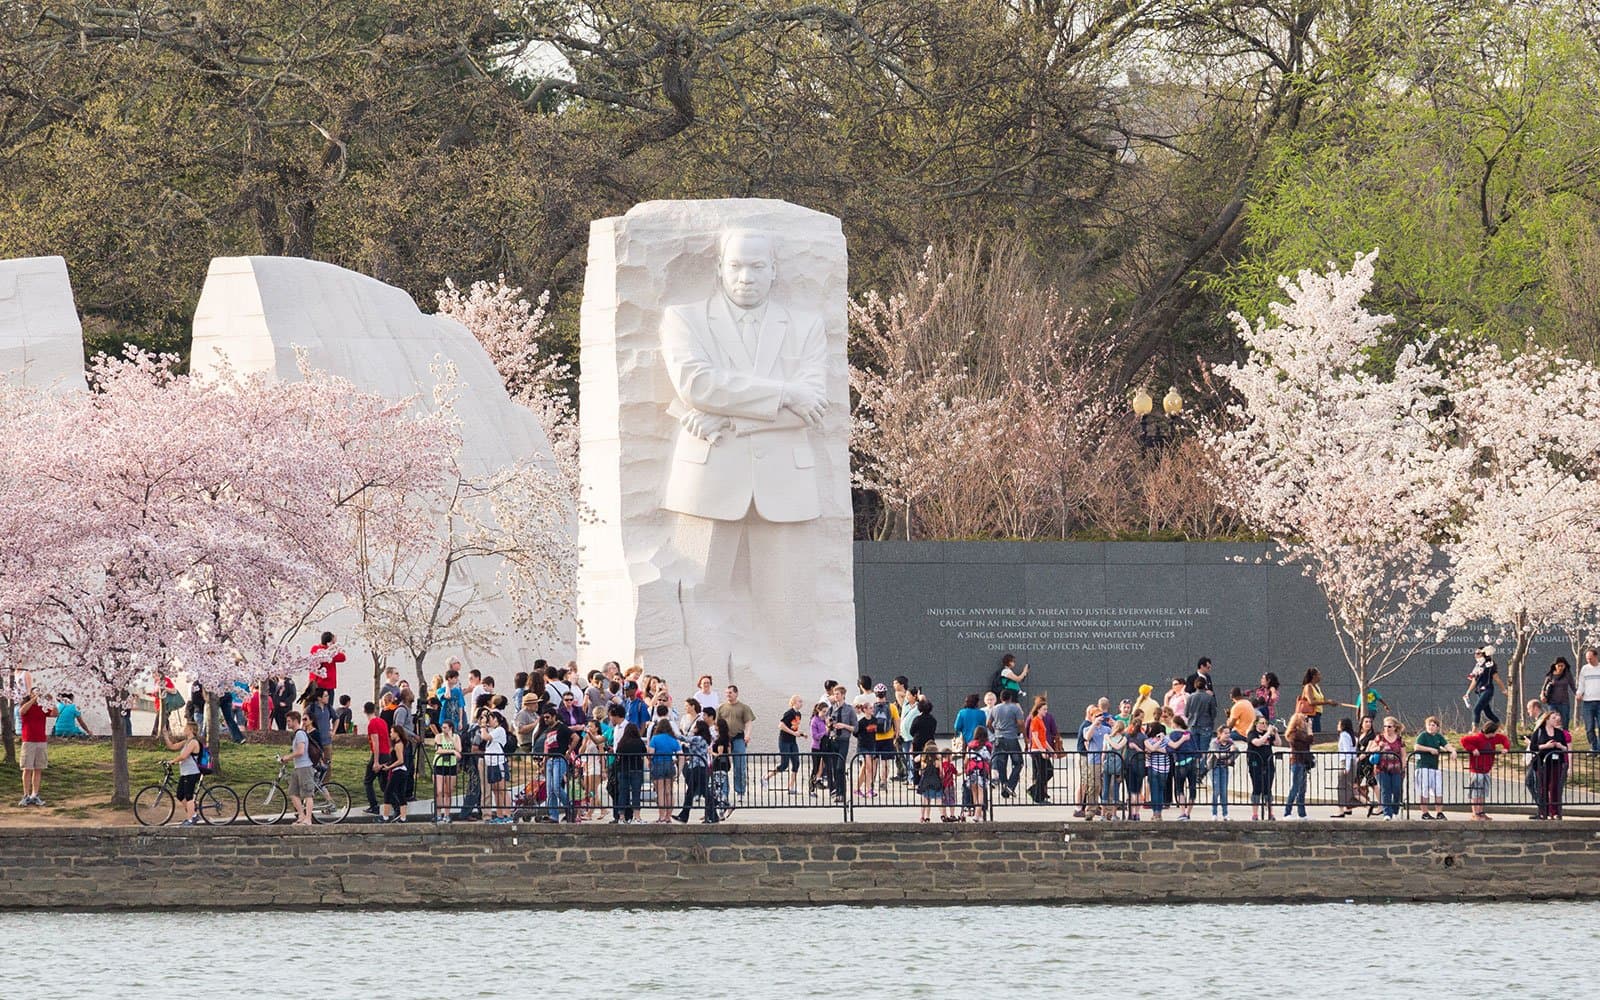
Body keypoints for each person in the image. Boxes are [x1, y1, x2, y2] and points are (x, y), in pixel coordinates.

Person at [1458, 720, 1508, 821]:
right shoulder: (1477, 738)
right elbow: (1463, 740)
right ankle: (1475, 813)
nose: (1495, 734)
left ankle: (1480, 812)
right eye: (1494, 732)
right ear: (1489, 732)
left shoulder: (1494, 738)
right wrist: (1472, 749)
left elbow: (1504, 739)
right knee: (1476, 792)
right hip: (1476, 769)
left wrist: (1506, 748)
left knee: (1483, 792)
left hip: (1486, 769)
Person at [538, 705, 578, 824]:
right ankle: (553, 816)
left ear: (554, 717)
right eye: (544, 718)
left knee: (556, 787)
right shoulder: (548, 730)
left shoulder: (562, 728)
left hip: (559, 759)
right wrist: (544, 763)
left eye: (548, 717)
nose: (546, 720)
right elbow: (547, 747)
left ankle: (570, 806)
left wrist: (569, 751)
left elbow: (575, 737)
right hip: (550, 760)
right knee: (550, 789)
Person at [17, 690, 57, 807]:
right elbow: (22, 711)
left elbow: (55, 714)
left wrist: (51, 701)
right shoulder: (26, 707)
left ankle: (35, 795)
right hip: (28, 741)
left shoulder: (42, 708)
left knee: (38, 768)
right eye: (35, 693)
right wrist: (33, 699)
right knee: (27, 768)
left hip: (41, 741)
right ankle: (26, 795)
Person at [1530, 710, 1571, 820]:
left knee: (1554, 787)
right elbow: (1533, 747)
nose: (1556, 720)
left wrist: (1560, 746)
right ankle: (1544, 811)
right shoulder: (1539, 731)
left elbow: (1565, 748)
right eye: (1553, 718)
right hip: (1542, 763)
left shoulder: (1559, 733)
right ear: (1547, 719)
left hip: (1556, 763)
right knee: (1543, 787)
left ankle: (1554, 812)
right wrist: (1545, 746)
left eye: (1556, 718)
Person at [716, 685, 756, 799]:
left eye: (730, 692)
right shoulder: (721, 708)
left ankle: (740, 791)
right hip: (724, 739)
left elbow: (748, 722)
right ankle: (724, 791)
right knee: (723, 766)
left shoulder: (744, 708)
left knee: (739, 766)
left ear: (736, 693)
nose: (728, 695)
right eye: (727, 693)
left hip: (738, 738)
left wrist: (747, 735)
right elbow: (717, 724)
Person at [164, 721, 204, 826]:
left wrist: (173, 761)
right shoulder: (186, 742)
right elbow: (172, 746)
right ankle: (194, 814)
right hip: (185, 773)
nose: (184, 729)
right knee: (180, 794)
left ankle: (190, 819)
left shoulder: (193, 742)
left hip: (192, 772)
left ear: (191, 730)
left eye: (186, 728)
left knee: (189, 796)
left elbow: (184, 756)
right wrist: (165, 735)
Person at [989, 688, 1026, 799]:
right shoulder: (1015, 708)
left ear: (1000, 698)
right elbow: (1020, 723)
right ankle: (1010, 785)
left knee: (1001, 763)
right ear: (1010, 698)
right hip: (1011, 738)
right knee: (1018, 762)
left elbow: (988, 723)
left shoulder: (995, 709)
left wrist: (994, 731)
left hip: (998, 738)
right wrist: (1022, 734)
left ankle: (1004, 784)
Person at [278, 711, 314, 825]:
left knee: (307, 793)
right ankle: (301, 815)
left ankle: (308, 819)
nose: (287, 723)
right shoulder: (296, 735)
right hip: (297, 767)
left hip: (305, 766)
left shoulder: (300, 734)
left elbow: (300, 751)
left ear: (295, 721)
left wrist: (288, 757)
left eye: (289, 721)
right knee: (292, 792)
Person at [676, 719, 715, 823]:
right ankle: (684, 815)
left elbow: (684, 739)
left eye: (695, 727)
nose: (693, 729)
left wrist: (672, 732)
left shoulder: (698, 738)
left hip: (698, 768)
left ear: (699, 729)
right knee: (693, 791)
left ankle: (713, 814)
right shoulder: (703, 739)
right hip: (698, 767)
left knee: (703, 792)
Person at [1412, 715, 1450, 820]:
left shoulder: (1438, 737)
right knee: (1424, 790)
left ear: (1437, 727)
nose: (1431, 727)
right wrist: (1430, 749)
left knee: (1438, 790)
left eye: (1433, 725)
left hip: (1434, 767)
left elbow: (1447, 745)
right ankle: (1425, 812)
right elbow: (1417, 746)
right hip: (1423, 766)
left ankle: (1439, 812)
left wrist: (1453, 751)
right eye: (1429, 725)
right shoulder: (1423, 736)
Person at [766, 694, 805, 794]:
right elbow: (781, 725)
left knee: (796, 763)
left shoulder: (798, 714)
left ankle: (791, 787)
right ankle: (766, 777)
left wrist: (801, 734)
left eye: (801, 701)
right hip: (784, 741)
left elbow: (793, 727)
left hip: (792, 741)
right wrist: (794, 733)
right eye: (799, 701)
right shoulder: (789, 713)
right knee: (784, 764)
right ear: (794, 702)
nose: (801, 703)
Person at [361, 702, 392, 818]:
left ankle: (374, 806)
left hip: (379, 755)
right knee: (384, 784)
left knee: (368, 781)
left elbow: (376, 743)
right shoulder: (382, 721)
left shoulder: (372, 724)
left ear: (364, 711)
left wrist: (376, 761)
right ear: (374, 709)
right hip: (386, 754)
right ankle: (396, 803)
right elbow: (386, 738)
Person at [1373, 717, 1406, 819]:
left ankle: (1395, 810)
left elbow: (1403, 754)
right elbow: (1371, 749)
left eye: (1389, 726)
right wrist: (1379, 747)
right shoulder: (1380, 738)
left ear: (1394, 727)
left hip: (1396, 768)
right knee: (1385, 790)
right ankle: (1387, 813)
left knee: (1397, 789)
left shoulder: (1399, 739)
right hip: (1382, 768)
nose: (1387, 728)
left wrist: (1403, 766)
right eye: (1385, 726)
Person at [613, 723, 647, 823]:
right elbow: (644, 752)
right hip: (636, 769)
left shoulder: (622, 742)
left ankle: (621, 817)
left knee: (623, 793)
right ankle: (637, 817)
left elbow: (618, 753)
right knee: (636, 793)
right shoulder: (639, 742)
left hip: (623, 769)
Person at [1466, 646, 1507, 726]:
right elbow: (1474, 680)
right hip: (1479, 691)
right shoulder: (1477, 666)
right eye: (1475, 653)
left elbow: (1497, 679)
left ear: (1484, 654)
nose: (1475, 655)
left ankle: (1474, 730)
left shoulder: (1488, 665)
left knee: (1476, 710)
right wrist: (1468, 692)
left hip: (1487, 690)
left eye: (1478, 653)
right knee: (1488, 713)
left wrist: (1504, 690)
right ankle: (1502, 728)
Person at [1246, 715, 1278, 821]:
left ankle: (1270, 813)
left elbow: (1278, 743)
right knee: (1257, 788)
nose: (1264, 725)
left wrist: (1275, 733)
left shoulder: (1268, 734)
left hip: (1268, 763)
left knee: (1268, 789)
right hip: (1255, 763)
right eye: (1262, 723)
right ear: (1256, 724)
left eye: (1266, 723)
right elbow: (1257, 743)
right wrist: (1268, 733)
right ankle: (1255, 814)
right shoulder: (1252, 734)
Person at [1283, 712, 1313, 820]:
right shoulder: (1294, 733)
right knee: (1295, 788)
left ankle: (1302, 813)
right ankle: (1287, 812)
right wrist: (1309, 727)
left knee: (1302, 789)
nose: (1305, 722)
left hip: (1303, 763)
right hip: (1297, 762)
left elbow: (1309, 741)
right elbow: (1310, 739)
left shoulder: (1302, 733)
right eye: (1303, 720)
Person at [1025, 697, 1054, 804]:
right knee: (1042, 773)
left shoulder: (1040, 721)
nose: (1046, 711)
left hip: (1040, 749)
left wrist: (1051, 750)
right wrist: (1042, 751)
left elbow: (1043, 739)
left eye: (1046, 709)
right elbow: (1035, 737)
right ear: (1038, 710)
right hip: (1037, 750)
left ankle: (1035, 790)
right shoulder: (1035, 720)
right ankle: (1038, 796)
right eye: (1044, 709)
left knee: (1048, 772)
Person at [431, 719, 461, 822]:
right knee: (439, 791)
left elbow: (459, 749)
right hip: (439, 765)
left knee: (448, 791)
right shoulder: (438, 736)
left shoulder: (456, 737)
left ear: (450, 728)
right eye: (442, 728)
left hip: (451, 765)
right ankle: (438, 813)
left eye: (445, 728)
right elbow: (439, 750)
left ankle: (447, 814)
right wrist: (452, 751)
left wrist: (451, 738)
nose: (443, 730)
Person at [383, 725, 412, 822]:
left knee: (388, 792)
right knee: (400, 794)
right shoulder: (399, 744)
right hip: (401, 771)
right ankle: (403, 817)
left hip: (398, 771)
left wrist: (389, 767)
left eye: (391, 732)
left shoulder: (398, 745)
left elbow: (400, 760)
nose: (390, 734)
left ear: (397, 733)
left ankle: (385, 817)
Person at [963, 725, 993, 818]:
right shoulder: (987, 746)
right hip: (982, 771)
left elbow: (966, 760)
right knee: (981, 793)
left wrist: (965, 769)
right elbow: (989, 759)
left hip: (972, 770)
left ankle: (977, 812)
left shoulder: (970, 745)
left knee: (974, 793)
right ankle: (978, 814)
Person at [307, 631, 343, 706]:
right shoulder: (331, 652)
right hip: (328, 685)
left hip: (315, 683)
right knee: (328, 708)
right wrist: (334, 646)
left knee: (314, 706)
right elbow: (342, 657)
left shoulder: (315, 648)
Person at [1208, 727, 1237, 819]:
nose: (1228, 735)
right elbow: (1218, 755)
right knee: (1216, 791)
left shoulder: (1231, 743)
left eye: (1229, 733)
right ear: (1220, 734)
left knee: (1224, 791)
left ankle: (1225, 814)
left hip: (1224, 767)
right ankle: (1214, 813)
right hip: (1214, 767)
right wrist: (1230, 752)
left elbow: (1237, 752)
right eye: (1225, 733)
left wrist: (1230, 760)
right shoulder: (1214, 743)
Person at [1332, 717, 1358, 817]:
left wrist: (1346, 767)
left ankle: (1341, 809)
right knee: (1348, 786)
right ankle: (1348, 807)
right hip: (1353, 761)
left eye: (1339, 724)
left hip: (1346, 761)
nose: (1338, 725)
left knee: (1341, 786)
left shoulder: (1344, 735)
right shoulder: (1353, 736)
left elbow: (1346, 751)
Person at [1298, 668, 1335, 734]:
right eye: (1319, 675)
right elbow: (1311, 702)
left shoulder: (1317, 687)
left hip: (1317, 714)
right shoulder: (1308, 687)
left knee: (1317, 732)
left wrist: (1330, 702)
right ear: (1314, 676)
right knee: (1315, 734)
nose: (1320, 677)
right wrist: (1327, 702)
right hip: (1310, 715)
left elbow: (1321, 700)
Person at [1579, 647, 1600, 750]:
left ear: (1596, 657)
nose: (1589, 660)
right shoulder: (1585, 669)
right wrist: (1579, 693)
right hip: (1588, 702)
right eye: (1587, 659)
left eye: (1590, 658)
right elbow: (1581, 683)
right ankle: (1594, 747)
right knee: (1589, 727)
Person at [916, 745, 943, 822]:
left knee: (925, 801)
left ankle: (923, 816)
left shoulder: (924, 762)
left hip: (926, 783)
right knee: (939, 800)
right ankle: (942, 815)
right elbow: (941, 773)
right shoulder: (937, 762)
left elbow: (921, 773)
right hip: (936, 782)